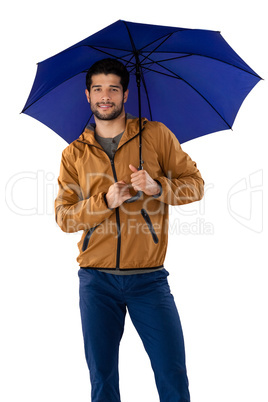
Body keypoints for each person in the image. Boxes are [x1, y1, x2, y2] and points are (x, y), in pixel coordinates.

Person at [55, 58, 204, 402]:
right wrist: (104, 201)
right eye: (98, 89)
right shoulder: (73, 154)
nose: (104, 96)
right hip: (96, 281)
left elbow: (195, 185)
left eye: (112, 89)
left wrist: (158, 188)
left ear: (125, 94)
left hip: (149, 279)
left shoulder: (156, 135)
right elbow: (64, 217)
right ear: (88, 96)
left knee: (172, 374)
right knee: (103, 380)